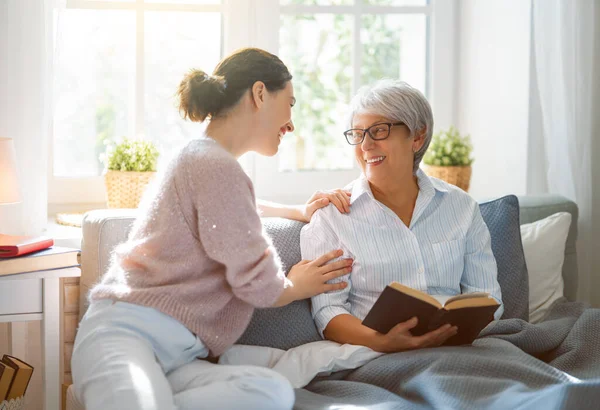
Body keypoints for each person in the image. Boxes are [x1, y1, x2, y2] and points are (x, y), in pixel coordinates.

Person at [71, 48, 354, 410]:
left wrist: (295, 210)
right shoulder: (214, 166)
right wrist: (297, 286)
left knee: (273, 391)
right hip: (127, 337)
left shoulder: (203, 159)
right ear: (260, 93)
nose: (291, 123)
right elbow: (260, 286)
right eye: (291, 103)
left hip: (176, 359)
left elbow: (234, 210)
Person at [300, 79, 504, 354]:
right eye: (358, 134)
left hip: (459, 350)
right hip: (378, 356)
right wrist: (381, 343)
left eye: (379, 131)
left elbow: (487, 297)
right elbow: (329, 312)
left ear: (417, 138)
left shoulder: (462, 207)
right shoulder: (332, 217)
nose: (365, 145)